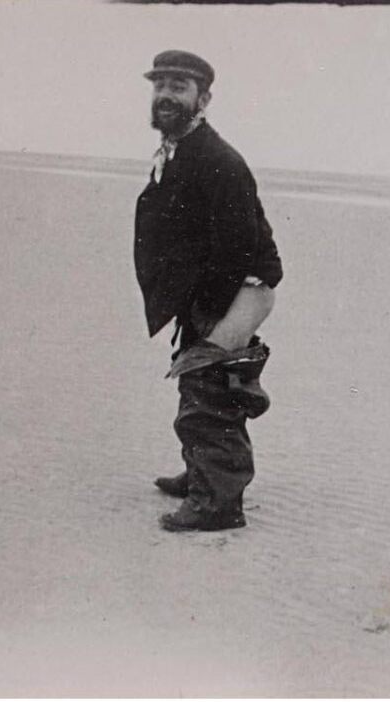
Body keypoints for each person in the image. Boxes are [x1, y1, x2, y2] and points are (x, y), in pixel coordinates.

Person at [133, 50, 283, 532]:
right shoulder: (181, 149)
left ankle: (217, 505)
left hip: (241, 287)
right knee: (197, 380)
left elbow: (239, 249)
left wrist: (215, 326)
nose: (166, 95)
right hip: (214, 287)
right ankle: (202, 472)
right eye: (161, 85)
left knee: (211, 384)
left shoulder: (218, 159)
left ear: (204, 98)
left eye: (179, 86)